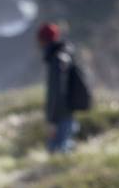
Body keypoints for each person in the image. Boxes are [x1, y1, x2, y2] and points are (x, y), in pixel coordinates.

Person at [38, 22, 92, 155]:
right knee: (64, 148)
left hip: (61, 117)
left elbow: (57, 92)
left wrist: (52, 121)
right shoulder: (63, 55)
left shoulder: (57, 59)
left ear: (44, 40)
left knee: (57, 150)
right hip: (67, 114)